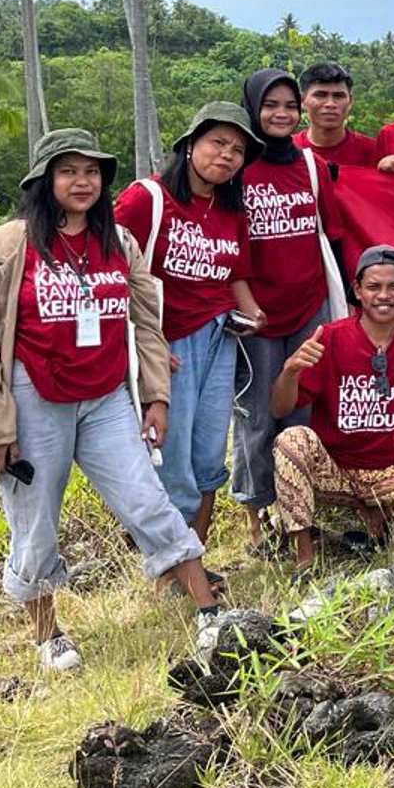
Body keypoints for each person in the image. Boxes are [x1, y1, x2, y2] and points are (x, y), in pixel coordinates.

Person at [0, 129, 220, 672]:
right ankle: (48, 635)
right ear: (44, 180)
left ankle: (208, 611)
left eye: (92, 172)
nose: (82, 182)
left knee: (147, 500)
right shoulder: (8, 245)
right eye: (68, 171)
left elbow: (147, 325)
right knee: (34, 519)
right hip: (34, 396)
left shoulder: (118, 242)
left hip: (105, 397)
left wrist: (155, 397)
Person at [115, 102, 266, 539]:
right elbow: (111, 267)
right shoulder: (148, 199)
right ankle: (170, 560)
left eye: (238, 150)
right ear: (190, 145)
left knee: (208, 449)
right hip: (169, 340)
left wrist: (253, 313)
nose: (227, 155)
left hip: (220, 336)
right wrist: (149, 344)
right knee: (170, 450)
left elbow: (234, 272)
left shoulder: (231, 209)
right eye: (218, 143)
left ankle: (195, 552)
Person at [270, 245, 394, 571]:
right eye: (374, 287)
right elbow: (280, 408)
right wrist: (289, 372)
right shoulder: (330, 338)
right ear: (358, 291)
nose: (383, 295)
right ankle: (305, 554)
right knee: (291, 440)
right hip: (337, 471)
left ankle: (379, 515)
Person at [233, 69, 345, 552]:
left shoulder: (313, 166)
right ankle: (258, 521)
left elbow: (333, 236)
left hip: (308, 307)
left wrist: (343, 306)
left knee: (301, 413)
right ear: (253, 109)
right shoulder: (236, 166)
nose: (281, 115)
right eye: (270, 105)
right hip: (253, 314)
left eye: (289, 106)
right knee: (256, 415)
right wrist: (242, 305)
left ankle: (298, 514)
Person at [295, 63, 382, 170]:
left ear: (350, 101)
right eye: (320, 95)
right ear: (302, 100)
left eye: (339, 96)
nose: (330, 104)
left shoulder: (375, 153)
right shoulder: (288, 152)